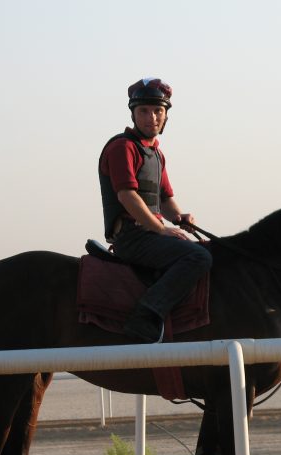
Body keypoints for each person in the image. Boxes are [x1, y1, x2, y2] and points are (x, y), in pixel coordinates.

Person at [98, 77, 212, 342]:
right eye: (144, 111)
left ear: (166, 115)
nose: (152, 117)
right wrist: (162, 229)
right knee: (198, 258)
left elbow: (165, 199)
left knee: (208, 250)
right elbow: (127, 196)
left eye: (158, 111)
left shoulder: (156, 154)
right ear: (134, 115)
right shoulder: (122, 148)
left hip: (151, 233)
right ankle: (146, 315)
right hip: (132, 237)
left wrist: (179, 217)